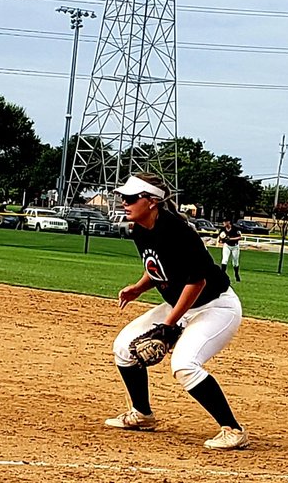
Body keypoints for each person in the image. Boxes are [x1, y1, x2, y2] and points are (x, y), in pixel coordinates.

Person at [106, 172, 248, 451]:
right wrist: (138, 288)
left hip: (215, 306)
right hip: (180, 304)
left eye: (131, 198)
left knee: (184, 364)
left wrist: (168, 327)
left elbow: (197, 282)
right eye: (123, 197)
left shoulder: (176, 231)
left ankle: (233, 430)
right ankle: (142, 414)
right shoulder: (140, 229)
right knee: (123, 347)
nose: (124, 202)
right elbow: (158, 267)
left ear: (151, 202)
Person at [216, 218, 243, 282]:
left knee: (235, 262)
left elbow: (240, 237)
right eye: (223, 222)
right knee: (224, 260)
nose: (224, 223)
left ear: (229, 222)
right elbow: (219, 236)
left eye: (225, 222)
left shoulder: (235, 228)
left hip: (235, 246)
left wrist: (230, 239)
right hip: (227, 246)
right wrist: (219, 240)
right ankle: (222, 276)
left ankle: (236, 274)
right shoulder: (223, 229)